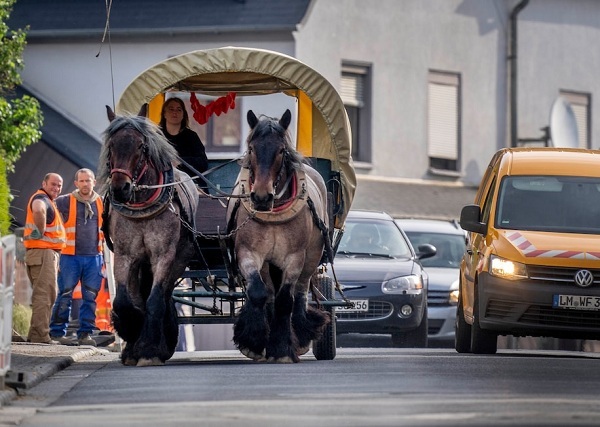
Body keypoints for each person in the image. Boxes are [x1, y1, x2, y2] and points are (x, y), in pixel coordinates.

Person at [49, 169, 105, 346]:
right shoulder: (64, 201)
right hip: (69, 256)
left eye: (88, 181)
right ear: (76, 184)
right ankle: (57, 333)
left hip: (94, 257)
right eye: (81, 181)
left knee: (90, 297)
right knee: (65, 294)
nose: (85, 184)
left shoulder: (101, 202)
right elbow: (48, 213)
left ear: (94, 182)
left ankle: (85, 334)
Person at [23, 173, 66, 344]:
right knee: (44, 295)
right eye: (53, 184)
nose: (56, 188)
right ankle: (40, 336)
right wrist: (39, 231)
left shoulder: (48, 200)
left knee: (46, 294)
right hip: (43, 253)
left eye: (59, 186)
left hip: (45, 254)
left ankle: (36, 334)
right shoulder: (41, 198)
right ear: (44, 184)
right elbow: (39, 209)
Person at [159, 96, 209, 189]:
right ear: (164, 114)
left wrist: (180, 162)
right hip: (162, 184)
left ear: (183, 115)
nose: (175, 112)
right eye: (171, 109)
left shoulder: (191, 136)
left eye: (179, 110)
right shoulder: (157, 137)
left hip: (191, 184)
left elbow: (203, 163)